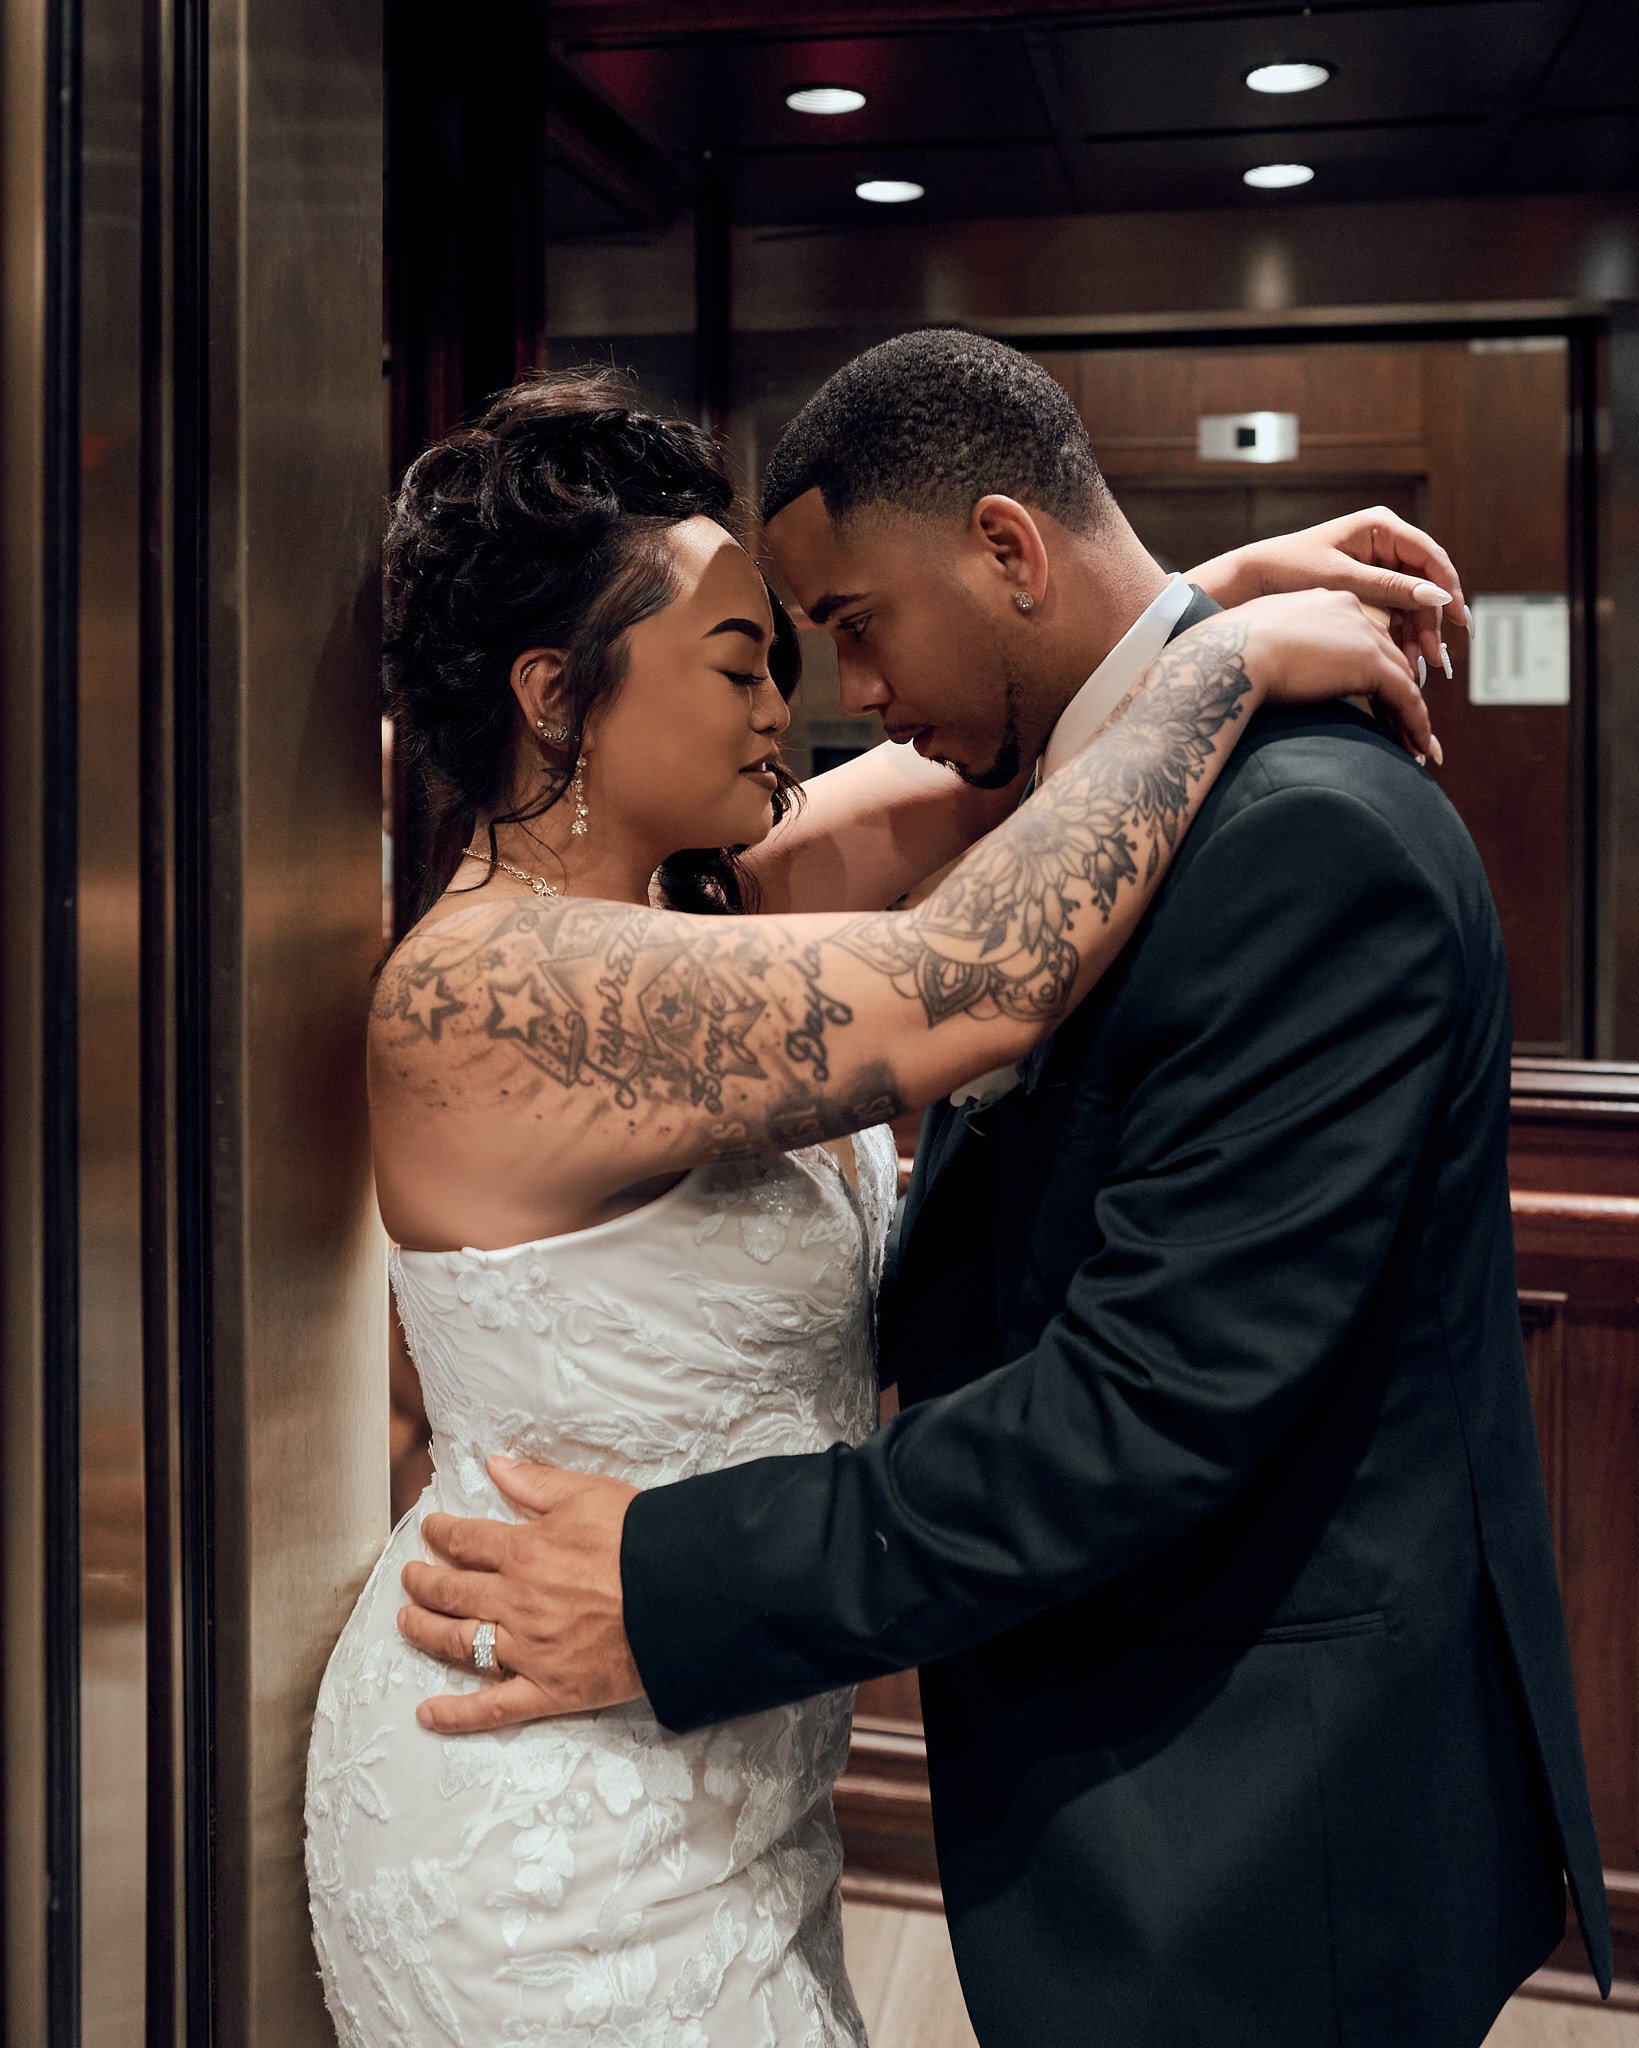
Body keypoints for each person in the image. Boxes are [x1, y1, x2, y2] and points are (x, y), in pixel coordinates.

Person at [392, 334, 1612, 2048]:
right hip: (557, 1752)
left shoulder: (1288, 839)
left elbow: (1144, 1402)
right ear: (550, 692)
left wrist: (1190, 634)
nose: (809, 708)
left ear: (1008, 551)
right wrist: (1218, 642)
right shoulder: (518, 983)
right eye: (752, 661)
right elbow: (973, 967)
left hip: (1255, 1814)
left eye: (830, 638)